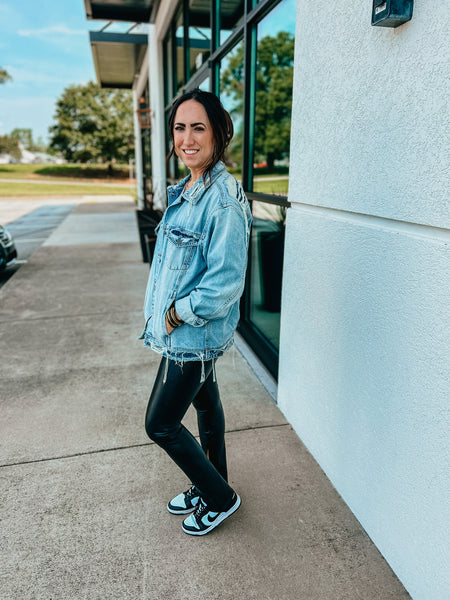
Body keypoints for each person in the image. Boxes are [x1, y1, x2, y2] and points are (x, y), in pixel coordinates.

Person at [142, 89, 252, 536]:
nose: (187, 139)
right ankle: (210, 482)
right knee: (207, 405)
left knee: (160, 425)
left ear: (218, 133)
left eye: (198, 128)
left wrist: (173, 315)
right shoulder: (190, 187)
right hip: (185, 333)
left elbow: (225, 283)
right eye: (179, 128)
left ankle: (220, 498)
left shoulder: (222, 200)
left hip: (191, 334)